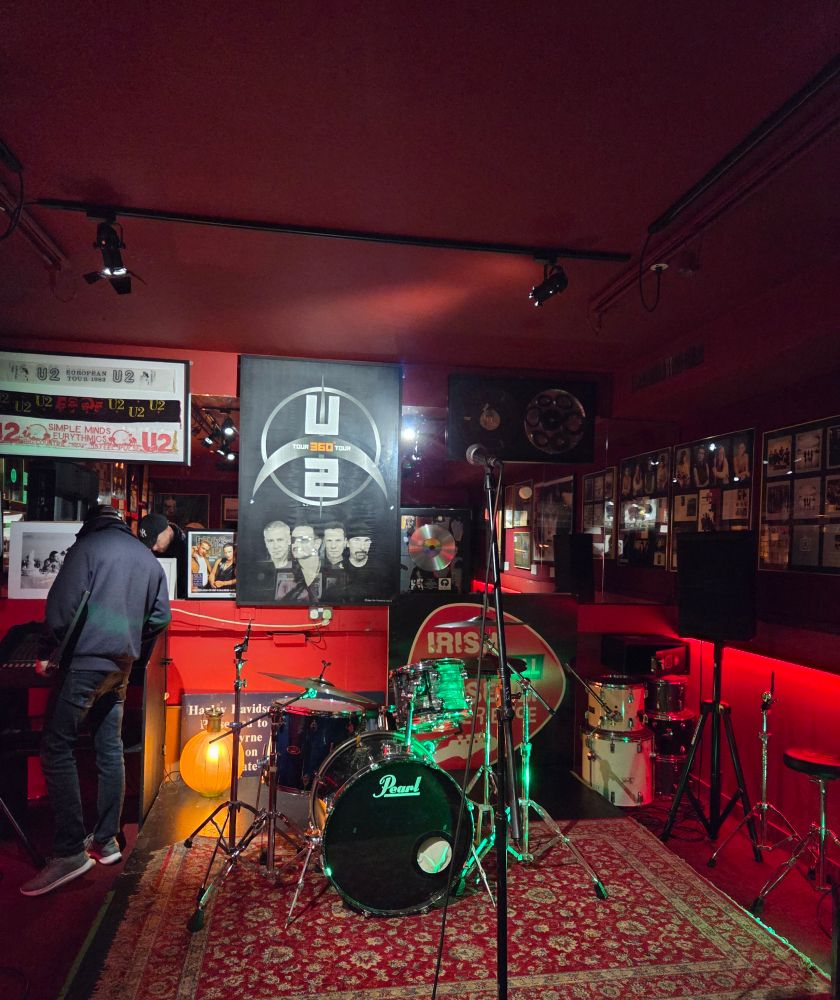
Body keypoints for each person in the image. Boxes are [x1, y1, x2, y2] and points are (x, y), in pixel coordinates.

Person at [20, 505, 171, 897]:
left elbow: (61, 608)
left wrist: (46, 650)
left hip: (84, 662)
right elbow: (160, 617)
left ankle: (69, 849)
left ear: (88, 523)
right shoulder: (146, 558)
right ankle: (106, 841)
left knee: (56, 747)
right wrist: (134, 645)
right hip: (120, 664)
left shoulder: (86, 548)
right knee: (109, 748)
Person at [138, 512, 188, 598]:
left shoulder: (187, 545)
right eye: (148, 544)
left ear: (168, 530)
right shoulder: (147, 550)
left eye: (155, 541)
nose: (153, 548)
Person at [253, 519, 295, 600]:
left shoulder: (299, 568)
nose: (275, 546)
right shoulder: (256, 570)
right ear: (266, 542)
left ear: (289, 540)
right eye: (270, 541)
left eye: (280, 540)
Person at [286, 523, 323, 603]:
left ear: (317, 543)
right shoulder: (290, 573)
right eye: (293, 540)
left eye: (303, 540)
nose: (295, 545)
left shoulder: (327, 571)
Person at [321, 521, 348, 598]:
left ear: (345, 542)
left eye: (338, 540)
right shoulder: (315, 566)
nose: (333, 546)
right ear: (323, 542)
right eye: (329, 540)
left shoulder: (352, 567)